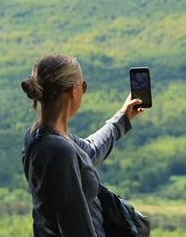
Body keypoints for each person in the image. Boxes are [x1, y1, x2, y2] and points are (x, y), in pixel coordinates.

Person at [20, 53, 144, 237]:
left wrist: (122, 118)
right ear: (73, 91)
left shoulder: (39, 135)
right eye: (83, 86)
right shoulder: (58, 150)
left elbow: (89, 151)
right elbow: (75, 228)